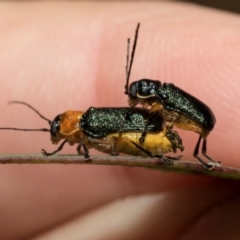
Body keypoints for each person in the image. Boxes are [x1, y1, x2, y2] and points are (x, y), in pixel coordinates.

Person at [1, 1, 240, 239]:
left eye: (57, 131)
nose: (57, 136)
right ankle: (170, 155)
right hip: (151, 128)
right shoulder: (93, 122)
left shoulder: (93, 120)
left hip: (164, 127)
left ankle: (175, 155)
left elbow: (128, 131)